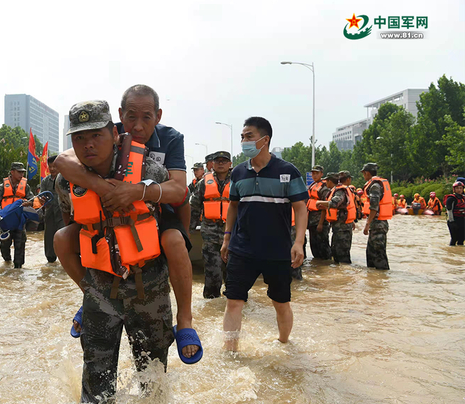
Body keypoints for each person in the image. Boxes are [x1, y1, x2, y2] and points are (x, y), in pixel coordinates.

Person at [55, 100, 183, 402]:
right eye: (79, 138)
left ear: (114, 134)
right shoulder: (65, 181)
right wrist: (89, 289)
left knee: (153, 383)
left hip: (149, 286)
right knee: (96, 387)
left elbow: (176, 206)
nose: (88, 144)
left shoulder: (150, 171)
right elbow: (72, 225)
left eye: (96, 135)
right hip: (99, 288)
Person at [220, 117, 308, 352]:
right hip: (242, 249)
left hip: (277, 250)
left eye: (249, 136)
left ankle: (284, 346)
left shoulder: (287, 171)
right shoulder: (239, 173)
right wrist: (227, 238)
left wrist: (298, 242)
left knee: (281, 302)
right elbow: (233, 206)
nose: (244, 141)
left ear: (264, 139)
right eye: (242, 137)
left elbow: (301, 208)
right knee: (233, 301)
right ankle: (230, 353)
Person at [190, 151, 232, 298]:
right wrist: (189, 230)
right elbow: (194, 207)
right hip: (210, 233)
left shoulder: (238, 182)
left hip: (232, 234)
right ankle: (211, 302)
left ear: (230, 164)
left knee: (234, 273)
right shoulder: (203, 183)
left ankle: (234, 302)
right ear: (212, 164)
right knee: (212, 272)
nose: (220, 163)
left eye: (224, 161)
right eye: (217, 161)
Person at [0, 162, 34, 269]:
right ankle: (7, 261)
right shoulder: (2, 187)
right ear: (12, 172)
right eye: (19, 172)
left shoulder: (26, 187)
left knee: (20, 243)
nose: (21, 175)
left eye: (22, 172)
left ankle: (18, 269)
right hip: (6, 221)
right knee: (4, 244)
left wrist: (29, 203)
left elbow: (32, 200)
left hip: (20, 220)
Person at [317, 171, 356, 264]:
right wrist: (325, 207)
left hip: (343, 228)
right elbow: (342, 207)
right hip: (339, 228)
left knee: (342, 255)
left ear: (330, 181)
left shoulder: (340, 191)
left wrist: (319, 202)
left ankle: (345, 273)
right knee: (336, 253)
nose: (325, 183)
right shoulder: (336, 190)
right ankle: (339, 272)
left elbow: (335, 203)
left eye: (327, 181)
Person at [361, 163, 392, 270]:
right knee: (371, 255)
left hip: (378, 224)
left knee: (379, 256)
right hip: (376, 224)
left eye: (363, 173)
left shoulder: (375, 186)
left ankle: (382, 278)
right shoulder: (376, 184)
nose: (363, 176)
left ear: (367, 173)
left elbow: (374, 206)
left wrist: (367, 224)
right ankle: (374, 279)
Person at [38, 155, 64, 263]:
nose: (52, 169)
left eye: (54, 166)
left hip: (63, 212)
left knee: (63, 236)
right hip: (49, 212)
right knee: (49, 236)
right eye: (50, 167)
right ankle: (50, 259)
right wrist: (41, 199)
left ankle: (65, 259)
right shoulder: (45, 181)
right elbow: (41, 195)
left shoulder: (65, 179)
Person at [306, 165, 331, 260]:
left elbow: (325, 206)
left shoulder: (324, 188)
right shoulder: (313, 185)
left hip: (320, 221)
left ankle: (326, 265)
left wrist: (320, 223)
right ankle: (317, 265)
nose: (314, 175)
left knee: (323, 247)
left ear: (321, 174)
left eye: (317, 173)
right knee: (314, 246)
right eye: (313, 173)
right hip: (312, 221)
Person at [445, 181, 465, 246]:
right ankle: (452, 249)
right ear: (454, 189)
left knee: (462, 238)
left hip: (462, 220)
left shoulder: (463, 198)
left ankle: (459, 250)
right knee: (454, 238)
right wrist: (452, 222)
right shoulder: (451, 198)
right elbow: (449, 210)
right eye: (457, 188)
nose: (459, 190)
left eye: (460, 188)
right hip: (453, 220)